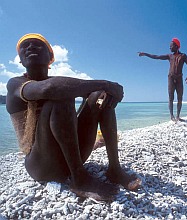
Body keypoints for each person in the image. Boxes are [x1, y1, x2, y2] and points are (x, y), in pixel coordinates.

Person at [6, 33, 141, 201]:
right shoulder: (15, 84)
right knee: (60, 95)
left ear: (50, 58)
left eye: (37, 45)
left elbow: (80, 90)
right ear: (20, 60)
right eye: (24, 47)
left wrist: (106, 91)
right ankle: (79, 179)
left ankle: (114, 168)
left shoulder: (58, 82)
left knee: (100, 96)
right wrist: (107, 84)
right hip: (41, 165)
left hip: (72, 156)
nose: (30, 47)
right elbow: (48, 89)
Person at [138, 38, 187, 121]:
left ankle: (178, 116)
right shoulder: (169, 56)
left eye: (171, 46)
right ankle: (172, 116)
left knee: (180, 98)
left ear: (176, 46)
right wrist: (145, 54)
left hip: (179, 79)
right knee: (171, 97)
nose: (169, 48)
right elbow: (156, 56)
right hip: (171, 78)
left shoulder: (183, 56)